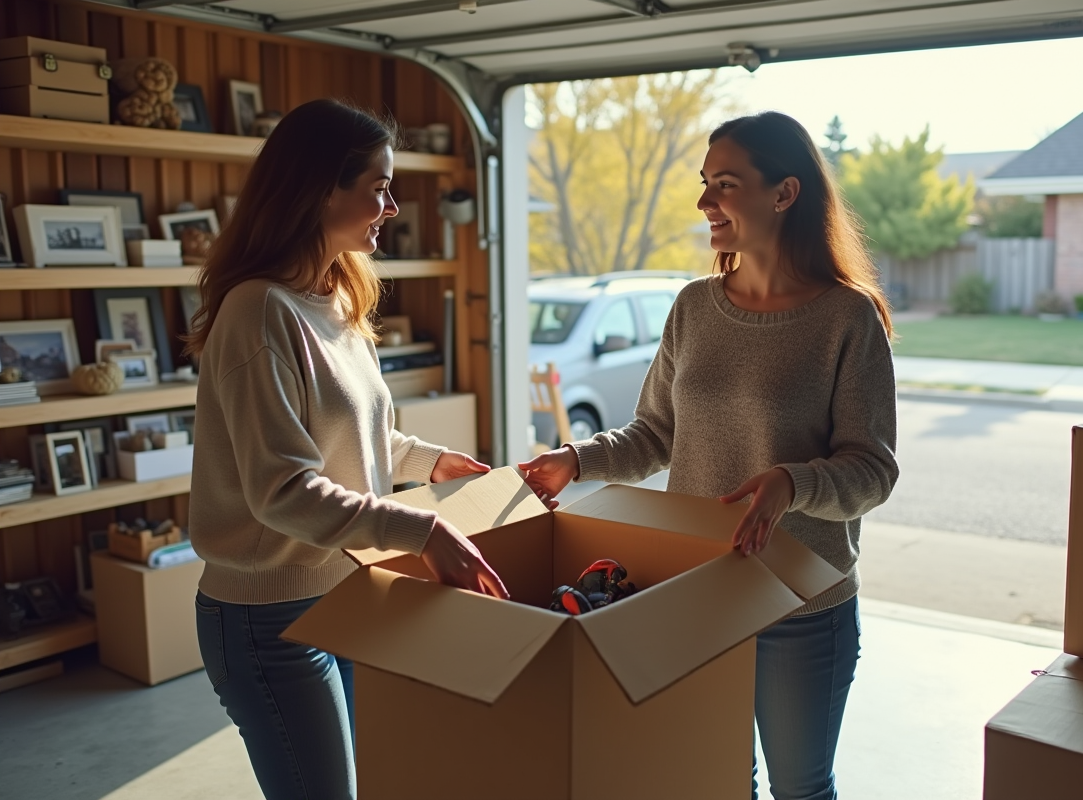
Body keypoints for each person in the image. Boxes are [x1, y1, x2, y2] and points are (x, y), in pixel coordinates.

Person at [520, 111, 898, 800]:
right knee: (713, 781)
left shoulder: (848, 318)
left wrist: (792, 481)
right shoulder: (693, 308)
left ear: (784, 194)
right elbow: (656, 434)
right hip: (692, 596)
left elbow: (873, 470)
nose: (704, 203)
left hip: (799, 605)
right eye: (704, 182)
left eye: (724, 183)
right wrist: (577, 459)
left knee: (800, 789)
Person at [183, 98, 508, 800]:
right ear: (318, 188)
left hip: (349, 591)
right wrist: (419, 527)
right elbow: (282, 491)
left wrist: (431, 464)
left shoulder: (334, 299)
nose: (391, 206)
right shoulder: (258, 312)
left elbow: (359, 439)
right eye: (379, 187)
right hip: (266, 619)